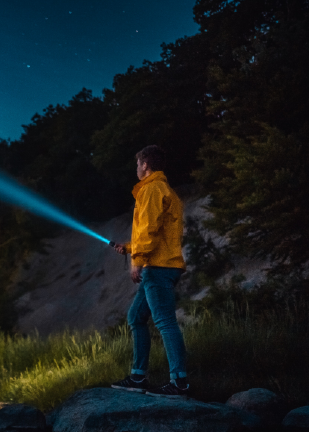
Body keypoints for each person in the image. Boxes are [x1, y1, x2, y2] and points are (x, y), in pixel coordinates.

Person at [109, 145, 189, 398]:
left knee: (165, 321)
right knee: (136, 317)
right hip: (161, 264)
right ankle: (138, 377)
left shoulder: (153, 189)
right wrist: (130, 247)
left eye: (137, 164)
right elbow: (158, 232)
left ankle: (179, 383)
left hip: (158, 268)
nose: (136, 169)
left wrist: (137, 259)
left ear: (145, 164)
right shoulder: (165, 190)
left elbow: (150, 229)